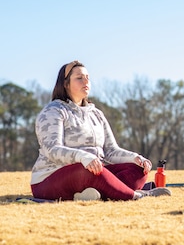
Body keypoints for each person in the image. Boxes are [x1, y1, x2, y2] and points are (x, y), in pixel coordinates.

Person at [30, 60, 171, 201]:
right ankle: (135, 195)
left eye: (87, 78)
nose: (85, 81)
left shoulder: (96, 114)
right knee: (85, 170)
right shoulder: (53, 111)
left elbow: (110, 151)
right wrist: (83, 157)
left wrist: (135, 158)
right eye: (79, 78)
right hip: (50, 179)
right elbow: (52, 149)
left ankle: (91, 194)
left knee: (137, 169)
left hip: (92, 174)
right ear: (65, 84)